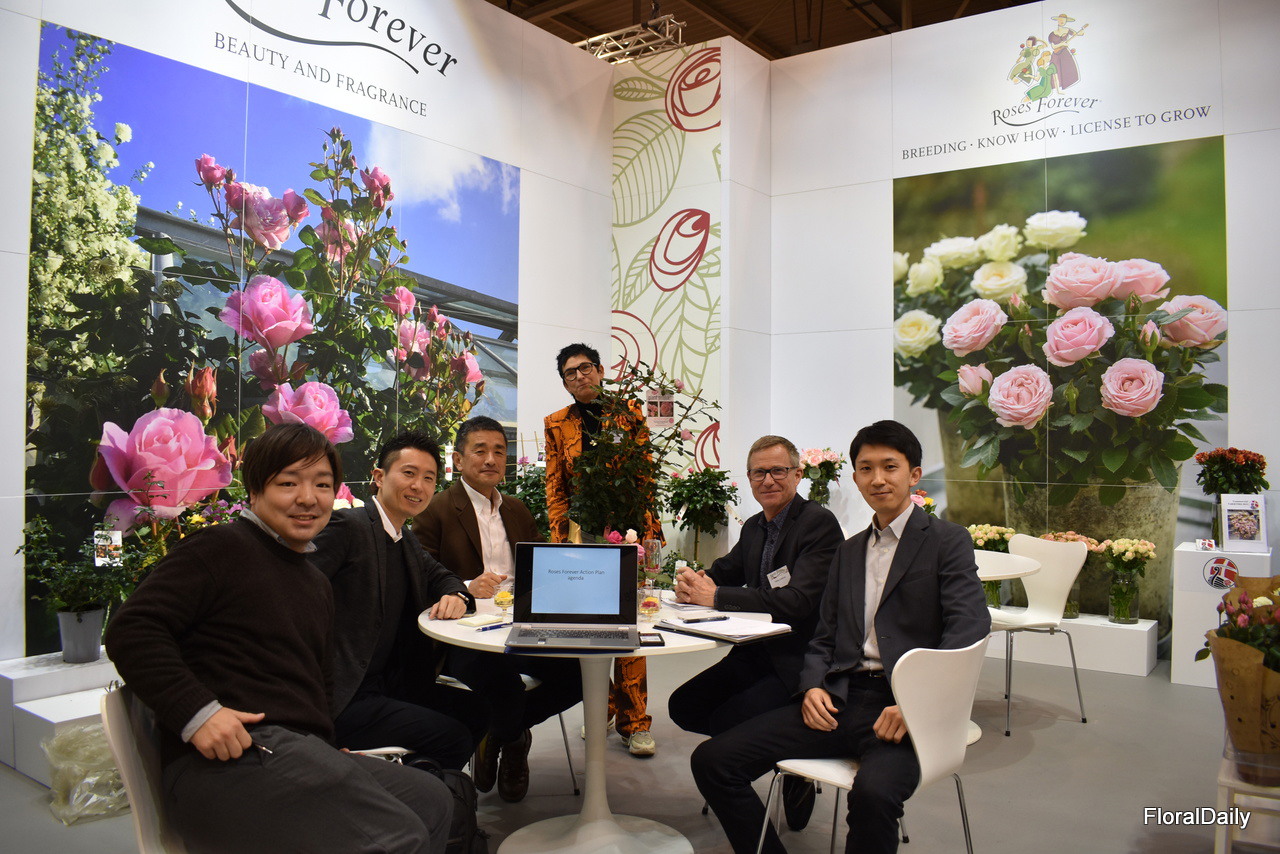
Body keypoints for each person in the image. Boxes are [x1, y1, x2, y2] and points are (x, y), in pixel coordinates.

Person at [104, 423, 453, 854]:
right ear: (255, 489)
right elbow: (131, 629)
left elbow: (316, 689)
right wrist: (199, 713)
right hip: (228, 762)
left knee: (433, 800)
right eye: (288, 483)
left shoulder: (314, 580)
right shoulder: (220, 546)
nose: (308, 498)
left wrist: (328, 749)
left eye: (322, 485)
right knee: (400, 835)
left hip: (295, 751)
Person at [690, 420, 990, 854]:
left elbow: (969, 629)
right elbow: (824, 634)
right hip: (841, 698)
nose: (878, 479)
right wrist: (813, 685)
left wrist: (917, 702)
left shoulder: (947, 541)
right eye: (866, 469)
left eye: (890, 467)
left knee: (873, 795)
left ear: (914, 474)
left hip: (904, 708)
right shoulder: (850, 551)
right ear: (855, 477)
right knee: (712, 761)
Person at [669, 434, 844, 829]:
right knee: (685, 706)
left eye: (778, 471)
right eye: (758, 473)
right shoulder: (754, 527)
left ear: (797, 475)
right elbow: (725, 572)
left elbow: (798, 601)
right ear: (748, 478)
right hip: (755, 650)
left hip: (799, 661)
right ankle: (780, 749)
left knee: (727, 721)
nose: (768, 480)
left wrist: (715, 597)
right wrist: (694, 581)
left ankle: (790, 761)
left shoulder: (817, 524)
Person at [415, 416, 582, 802]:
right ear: (458, 459)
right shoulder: (436, 510)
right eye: (480, 451)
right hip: (465, 637)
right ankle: (514, 739)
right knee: (503, 686)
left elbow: (541, 566)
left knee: (580, 676)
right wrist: (465, 588)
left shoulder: (517, 509)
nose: (491, 459)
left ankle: (500, 732)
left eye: (499, 452)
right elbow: (419, 578)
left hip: (522, 626)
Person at [311, 430, 481, 771]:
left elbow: (442, 577)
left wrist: (458, 595)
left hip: (392, 684)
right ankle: (420, 791)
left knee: (478, 710)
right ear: (379, 477)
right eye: (409, 473)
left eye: (429, 478)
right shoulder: (350, 527)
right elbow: (296, 593)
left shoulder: (404, 538)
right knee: (453, 737)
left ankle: (420, 775)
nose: (419, 486)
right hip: (346, 695)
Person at [544, 342, 660, 757]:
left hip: (627, 532)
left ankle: (636, 722)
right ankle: (605, 705)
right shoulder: (556, 423)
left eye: (586, 367)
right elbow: (555, 485)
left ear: (599, 370)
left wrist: (647, 533)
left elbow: (645, 475)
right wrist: (560, 542)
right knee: (588, 626)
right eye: (570, 372)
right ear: (564, 382)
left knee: (628, 626)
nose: (580, 376)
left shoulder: (628, 413)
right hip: (582, 535)